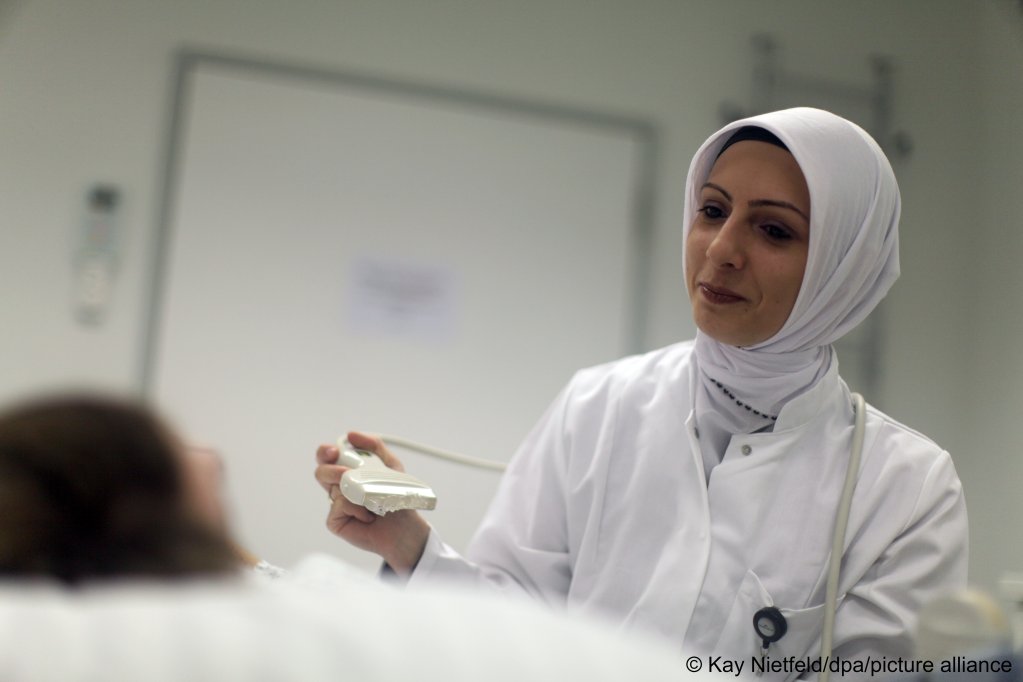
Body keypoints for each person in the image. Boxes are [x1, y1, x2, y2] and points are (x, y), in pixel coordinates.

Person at [315, 107, 969, 674]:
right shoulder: (596, 405)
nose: (720, 250)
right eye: (711, 211)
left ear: (841, 266)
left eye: (772, 229)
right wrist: (406, 543)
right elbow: (513, 624)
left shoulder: (906, 489)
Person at [0, 392, 701, 681]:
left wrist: (406, 547)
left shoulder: (270, 591)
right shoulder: (280, 620)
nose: (209, 453)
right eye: (173, 443)